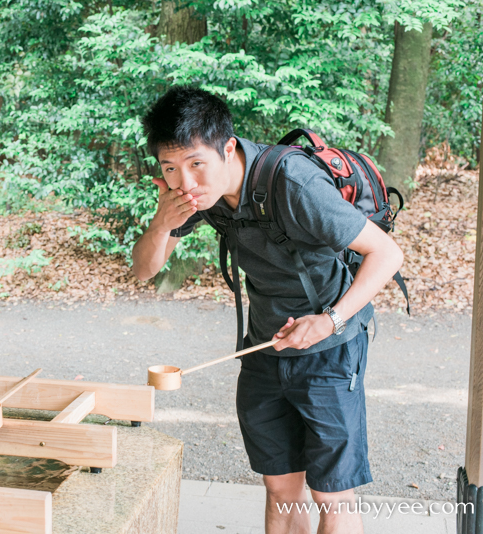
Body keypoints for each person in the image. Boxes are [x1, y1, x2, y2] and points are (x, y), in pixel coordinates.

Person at [132, 86, 403, 534]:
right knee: (280, 492)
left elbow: (387, 255)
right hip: (263, 350)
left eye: (197, 164)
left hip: (330, 350)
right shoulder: (198, 196)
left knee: (331, 498)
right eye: (170, 169)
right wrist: (163, 221)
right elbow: (144, 270)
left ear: (229, 149)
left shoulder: (292, 185)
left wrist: (329, 320)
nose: (186, 183)